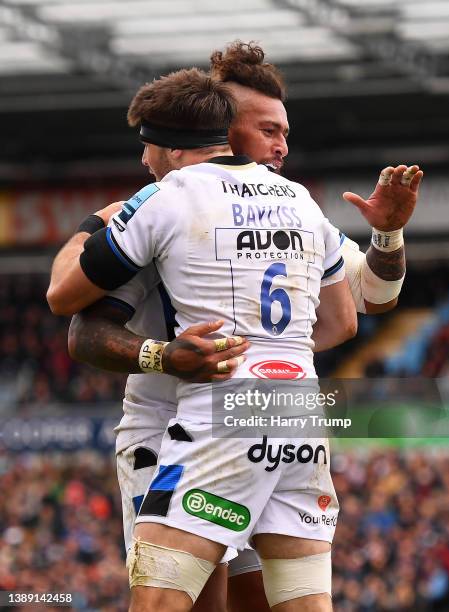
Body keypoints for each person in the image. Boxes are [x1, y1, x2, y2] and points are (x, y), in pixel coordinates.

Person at [49, 42, 423, 611]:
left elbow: (375, 294)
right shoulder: (295, 203)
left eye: (286, 132)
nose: (282, 146)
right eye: (268, 129)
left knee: (186, 599)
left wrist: (388, 236)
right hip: (244, 416)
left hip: (207, 420)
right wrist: (274, 358)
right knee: (269, 599)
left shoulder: (162, 203)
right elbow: (349, 317)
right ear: (228, 128)